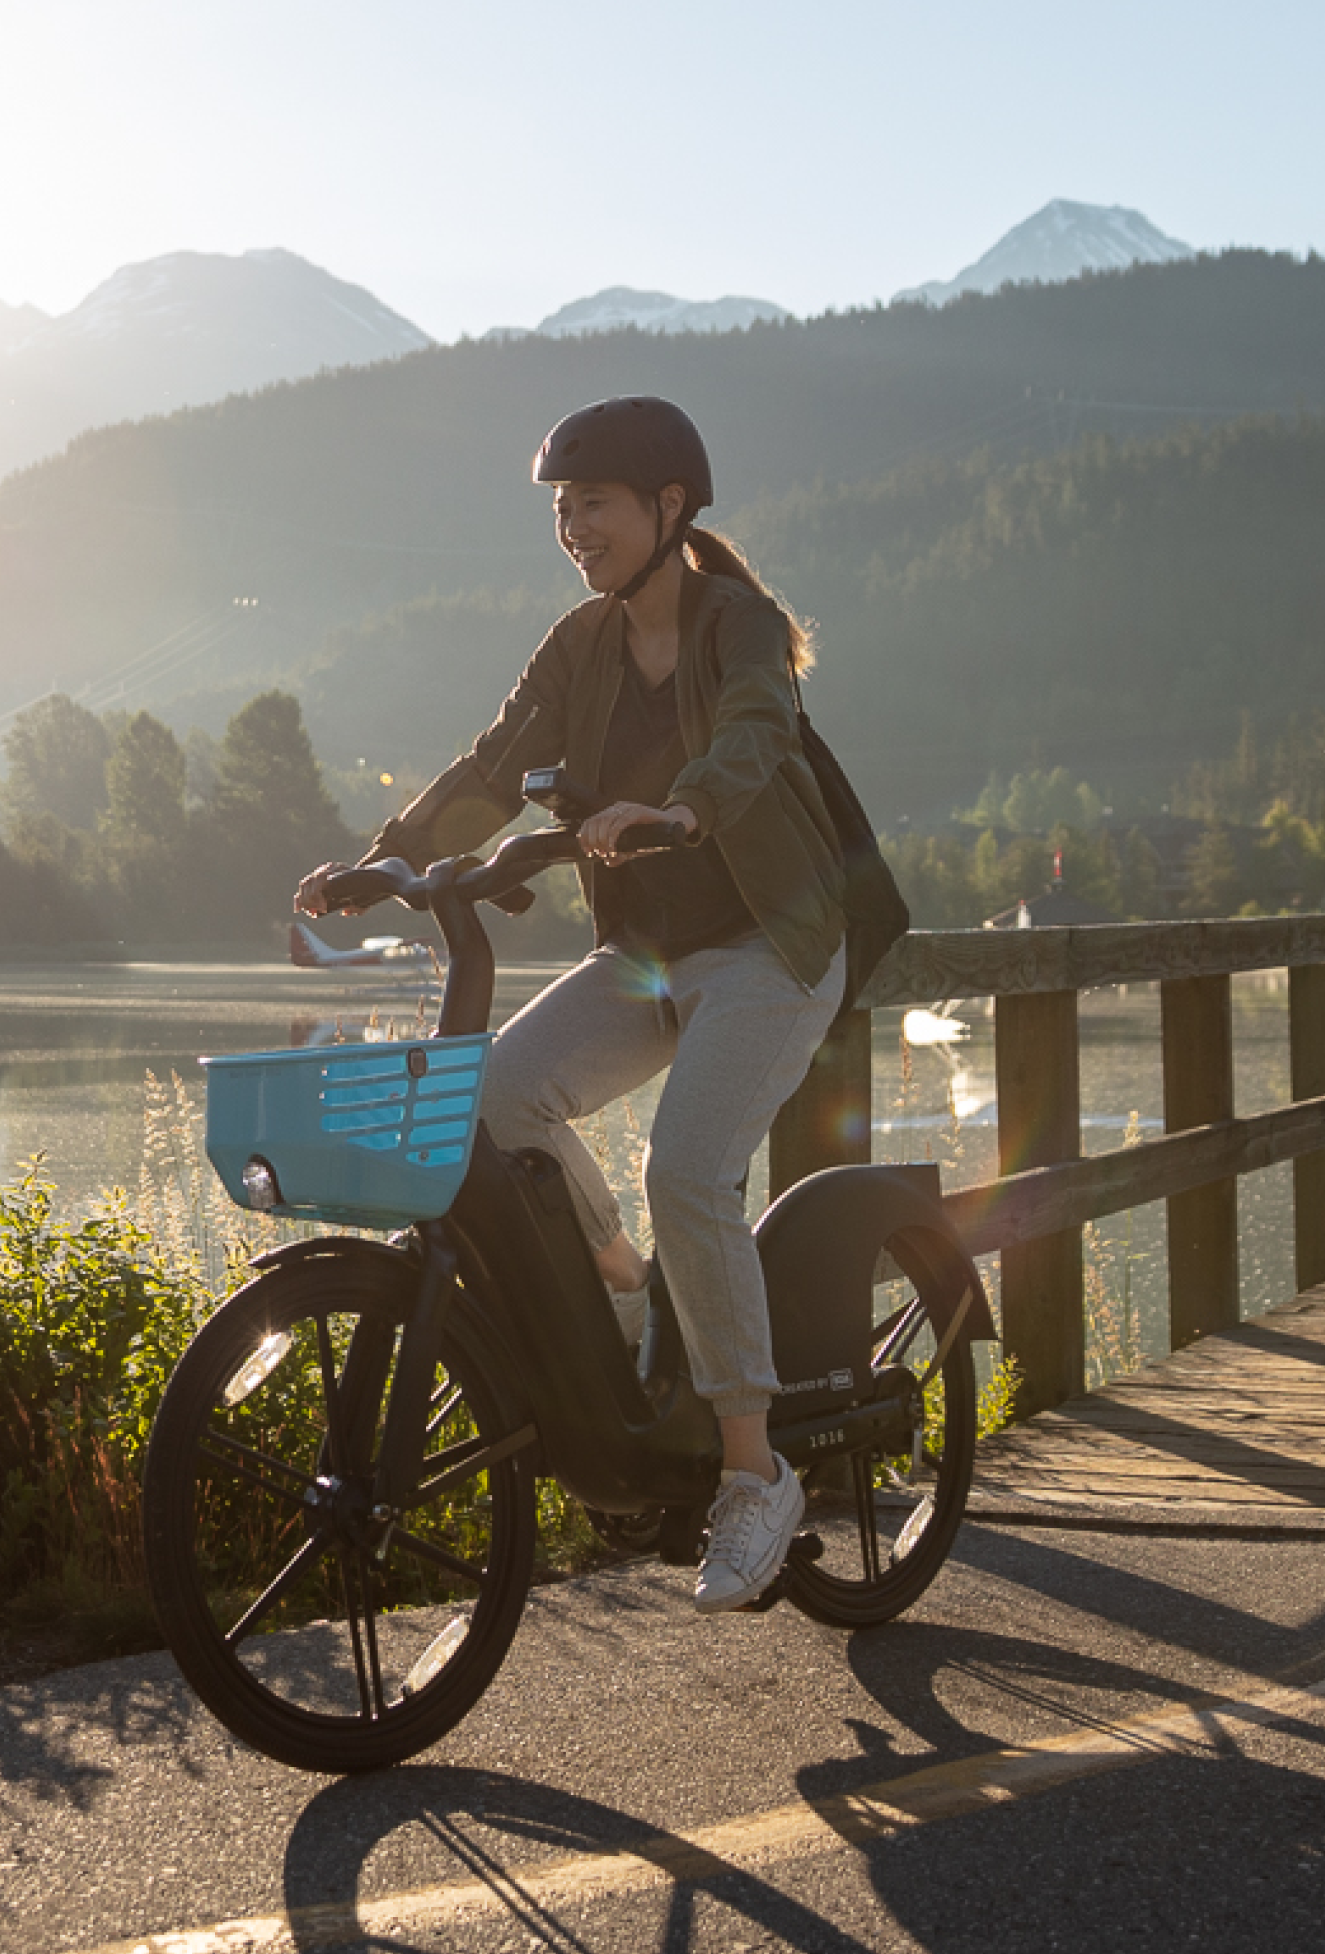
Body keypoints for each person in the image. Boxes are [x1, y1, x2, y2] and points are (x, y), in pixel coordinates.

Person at [304, 396, 861, 1613]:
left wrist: (682, 808)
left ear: (667, 508)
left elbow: (760, 734)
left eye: (592, 502)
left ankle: (755, 1475)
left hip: (771, 947)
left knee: (688, 1169)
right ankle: (620, 1281)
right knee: (496, 1096)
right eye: (560, 507)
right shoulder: (578, 647)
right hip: (653, 960)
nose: (571, 525)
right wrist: (380, 860)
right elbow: (496, 762)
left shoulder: (738, 625)